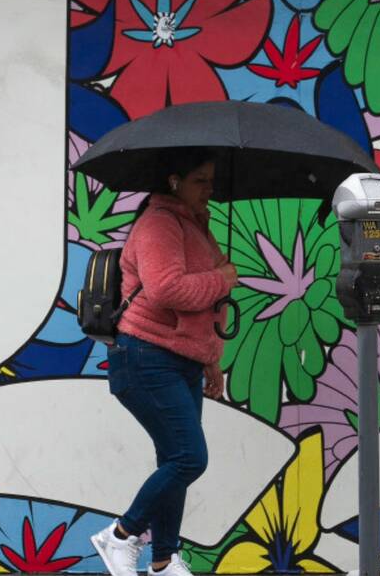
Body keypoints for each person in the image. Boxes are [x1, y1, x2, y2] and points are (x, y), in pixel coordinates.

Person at [90, 148, 239, 576]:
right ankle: (120, 535)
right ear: (174, 181)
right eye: (201, 180)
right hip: (145, 357)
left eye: (211, 180)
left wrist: (210, 358)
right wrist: (222, 278)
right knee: (189, 458)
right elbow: (167, 291)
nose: (209, 189)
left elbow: (197, 311)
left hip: (178, 360)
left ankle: (164, 559)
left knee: (173, 458)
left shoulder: (194, 225)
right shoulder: (159, 223)